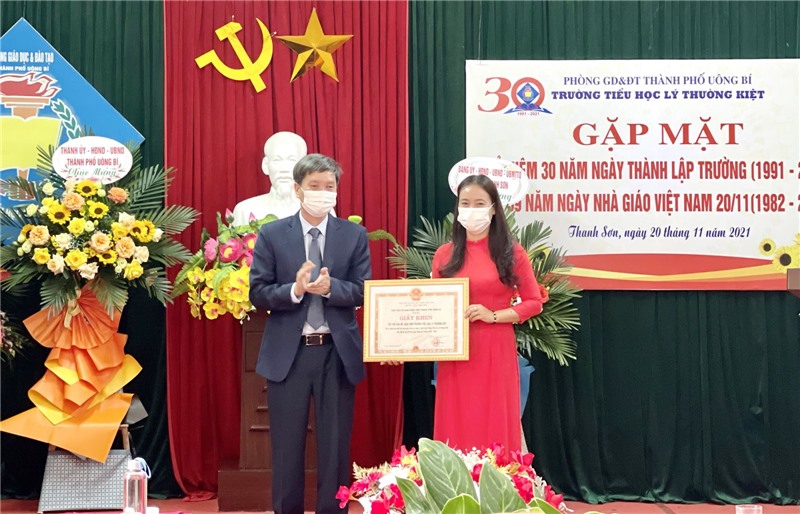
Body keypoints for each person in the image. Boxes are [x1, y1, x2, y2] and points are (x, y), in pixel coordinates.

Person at [249, 154, 371, 514]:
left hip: (337, 352)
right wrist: (295, 289)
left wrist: (333, 288)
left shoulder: (354, 235)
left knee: (335, 447)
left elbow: (363, 290)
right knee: (286, 446)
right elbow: (258, 292)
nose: (323, 192)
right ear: (298, 189)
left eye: (329, 186)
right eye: (314, 186)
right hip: (290, 353)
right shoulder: (273, 234)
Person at [432, 174, 543, 452]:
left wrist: (493, 315)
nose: (471, 209)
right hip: (455, 353)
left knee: (494, 421)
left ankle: (497, 477)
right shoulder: (444, 254)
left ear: (493, 208)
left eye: (479, 203)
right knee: (456, 421)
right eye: (465, 203)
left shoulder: (512, 253)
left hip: (495, 348)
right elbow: (434, 306)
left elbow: (533, 303)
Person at [232, 131, 308, 225]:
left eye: (292, 160)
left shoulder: (318, 210)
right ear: (265, 165)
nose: (284, 169)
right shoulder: (245, 211)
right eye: (277, 160)